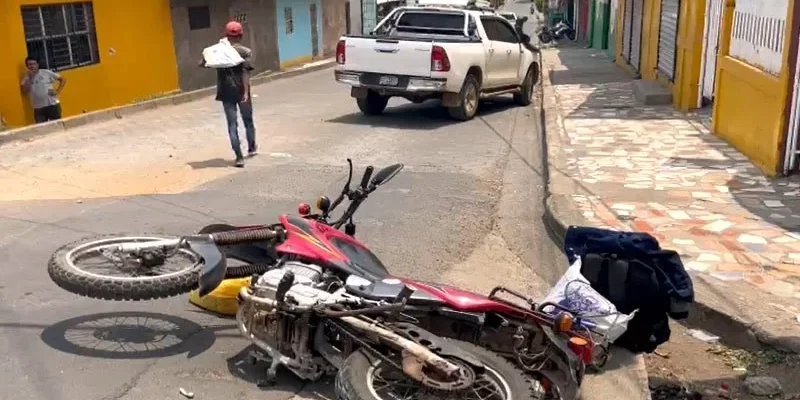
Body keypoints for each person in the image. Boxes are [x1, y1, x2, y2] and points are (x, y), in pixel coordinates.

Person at [200, 21, 257, 168]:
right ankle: (251, 148)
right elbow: (245, 73)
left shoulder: (217, 51)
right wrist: (245, 92)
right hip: (241, 90)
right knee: (248, 120)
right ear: (241, 35)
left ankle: (239, 157)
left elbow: (202, 63)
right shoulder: (245, 51)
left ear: (226, 35)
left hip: (225, 92)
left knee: (232, 125)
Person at [20, 57, 66, 123]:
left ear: (37, 64)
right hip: (38, 108)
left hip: (52, 104)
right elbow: (24, 90)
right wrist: (30, 78)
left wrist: (57, 91)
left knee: (57, 126)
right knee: (42, 129)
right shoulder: (26, 77)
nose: (32, 66)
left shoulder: (46, 72)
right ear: (27, 66)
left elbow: (63, 79)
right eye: (30, 64)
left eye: (34, 64)